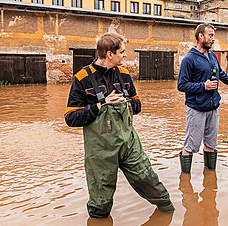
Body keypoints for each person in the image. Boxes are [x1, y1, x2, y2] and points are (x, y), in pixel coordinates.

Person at [65, 32, 174, 218]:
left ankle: (169, 214)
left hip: (129, 144)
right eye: (122, 52)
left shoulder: (124, 74)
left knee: (149, 180)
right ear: (109, 54)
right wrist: (101, 105)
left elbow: (137, 105)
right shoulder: (82, 77)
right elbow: (71, 117)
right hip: (100, 151)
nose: (125, 55)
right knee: (101, 199)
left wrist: (125, 101)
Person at [177, 23, 228, 173]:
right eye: (210, 36)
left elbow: (220, 74)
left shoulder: (212, 56)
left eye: (213, 35)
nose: (213, 39)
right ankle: (185, 182)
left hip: (213, 108)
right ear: (200, 36)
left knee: (211, 144)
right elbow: (181, 85)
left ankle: (210, 178)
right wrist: (203, 86)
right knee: (191, 146)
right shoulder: (189, 59)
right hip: (196, 109)